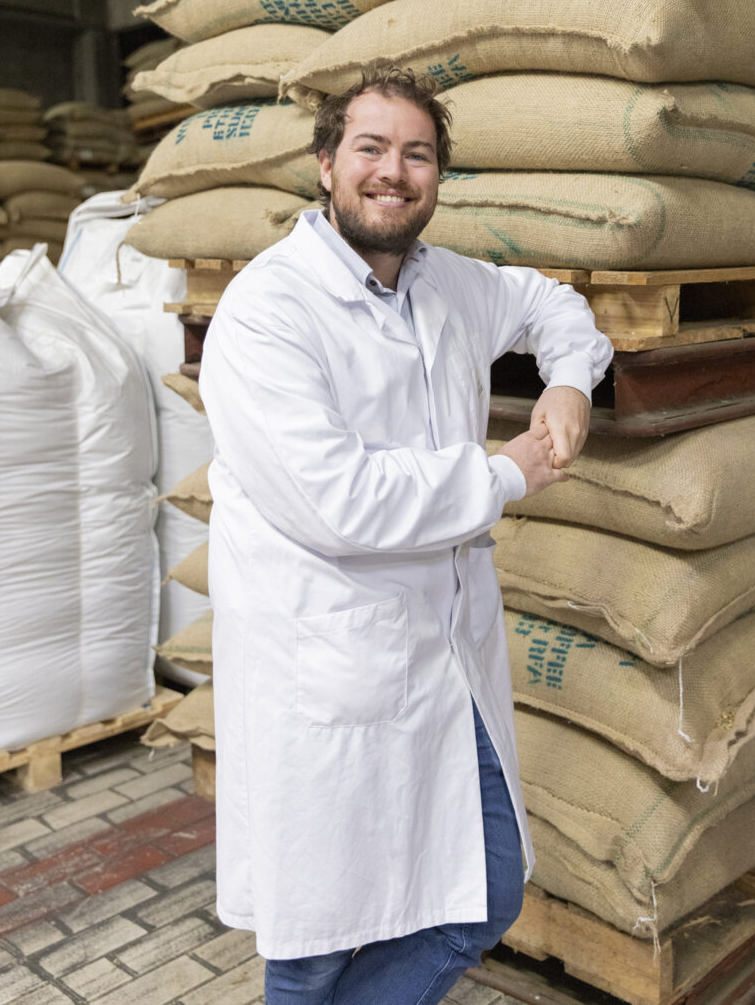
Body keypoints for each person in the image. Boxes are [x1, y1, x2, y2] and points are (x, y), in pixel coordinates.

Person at [199, 63, 613, 1005]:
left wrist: (567, 382)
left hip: (445, 655)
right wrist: (507, 474)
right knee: (314, 949)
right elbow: (337, 499)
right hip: (330, 668)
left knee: (484, 889)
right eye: (371, 149)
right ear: (324, 166)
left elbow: (554, 306)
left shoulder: (449, 285)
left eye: (417, 154)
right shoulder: (268, 311)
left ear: (437, 177)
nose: (394, 172)